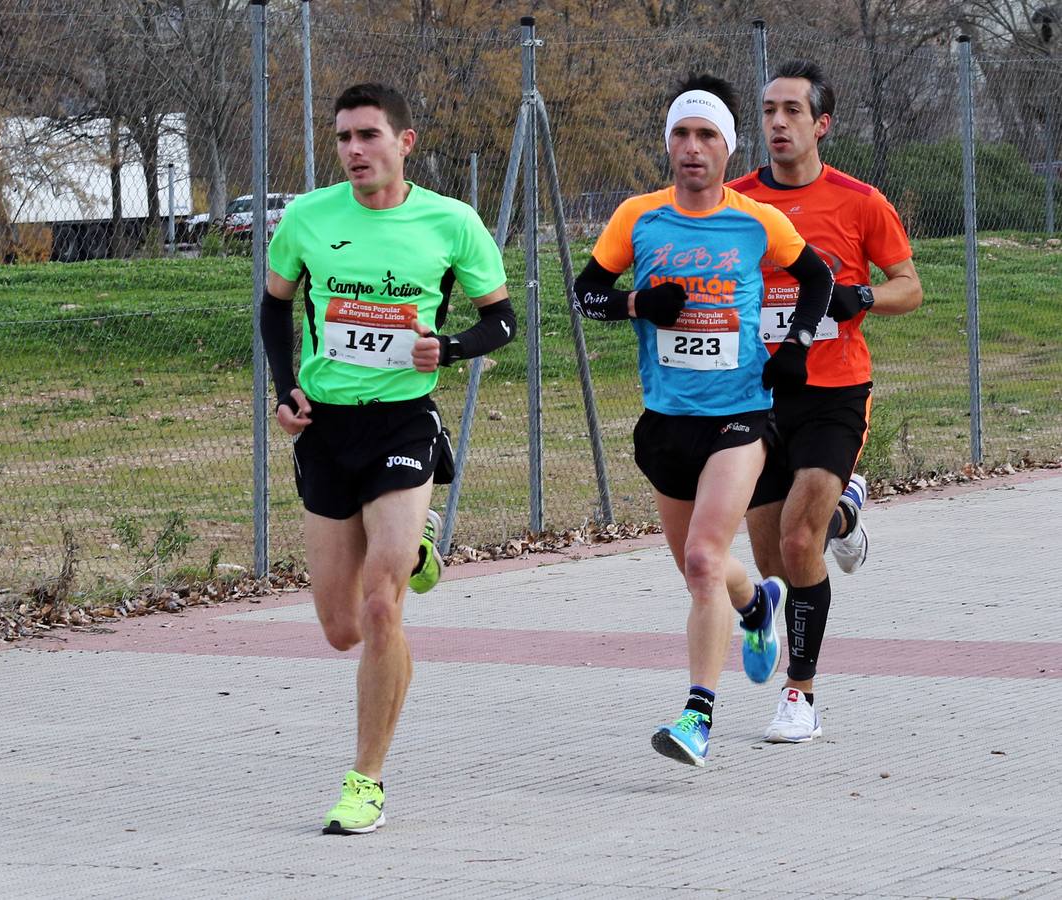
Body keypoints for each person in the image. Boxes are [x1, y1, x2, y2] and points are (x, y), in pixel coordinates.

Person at [260, 82, 516, 832]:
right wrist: (285, 390)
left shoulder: (451, 221)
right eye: (343, 138)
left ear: (404, 142)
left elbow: (501, 319)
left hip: (405, 424)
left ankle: (365, 778)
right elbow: (276, 305)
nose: (353, 152)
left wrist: (455, 345)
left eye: (368, 136)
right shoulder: (307, 218)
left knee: (382, 604)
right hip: (327, 431)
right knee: (344, 627)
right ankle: (412, 552)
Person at [573, 73, 834, 767]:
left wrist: (795, 348)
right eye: (682, 135)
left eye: (707, 135)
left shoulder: (756, 221)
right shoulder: (639, 217)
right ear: (668, 144)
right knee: (707, 574)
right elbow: (587, 293)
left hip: (740, 417)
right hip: (666, 422)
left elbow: (818, 280)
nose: (693, 148)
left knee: (701, 558)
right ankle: (754, 608)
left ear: (727, 147)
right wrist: (637, 306)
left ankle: (697, 718)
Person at [728, 60, 922, 743]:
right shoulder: (736, 200)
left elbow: (909, 286)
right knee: (774, 558)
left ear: (822, 125)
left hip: (834, 392)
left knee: (797, 538)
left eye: (792, 112)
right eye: (769, 110)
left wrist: (860, 295)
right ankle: (846, 513)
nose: (778, 123)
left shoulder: (860, 201)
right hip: (756, 394)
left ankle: (800, 696)